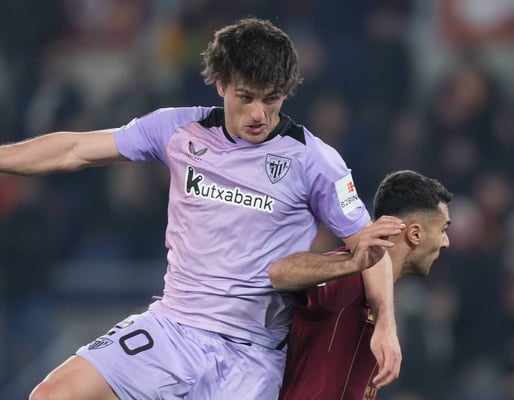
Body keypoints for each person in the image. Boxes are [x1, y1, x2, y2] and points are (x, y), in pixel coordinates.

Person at [0, 18, 403, 400]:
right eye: (246, 97)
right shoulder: (178, 130)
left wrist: (385, 323)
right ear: (221, 84)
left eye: (271, 98)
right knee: (53, 394)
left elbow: (370, 250)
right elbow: (74, 149)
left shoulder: (315, 160)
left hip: (252, 354)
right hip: (173, 327)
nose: (259, 113)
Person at [270, 169, 453, 400]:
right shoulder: (350, 276)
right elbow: (279, 272)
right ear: (415, 234)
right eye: (443, 230)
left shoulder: (383, 298)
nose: (446, 242)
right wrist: (352, 263)